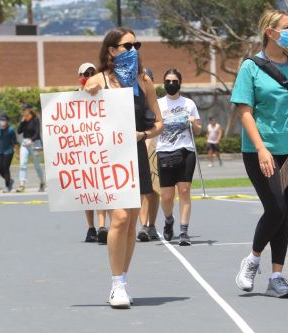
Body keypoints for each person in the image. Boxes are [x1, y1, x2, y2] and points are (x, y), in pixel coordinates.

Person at [230, 9, 288, 298]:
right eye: (286, 27)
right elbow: (245, 111)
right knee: (276, 207)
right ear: (270, 31)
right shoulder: (250, 67)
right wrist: (261, 148)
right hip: (260, 151)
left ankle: (277, 276)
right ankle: (252, 260)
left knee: (285, 214)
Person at [84, 27, 163, 308]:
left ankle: (124, 280)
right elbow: (80, 119)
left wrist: (143, 135)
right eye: (127, 46)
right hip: (107, 159)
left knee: (130, 221)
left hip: (135, 154)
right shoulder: (98, 81)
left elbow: (158, 124)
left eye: (136, 45)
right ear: (111, 50)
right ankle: (116, 284)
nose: (133, 50)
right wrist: (86, 90)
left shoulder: (144, 83)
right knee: (118, 218)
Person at [156, 68, 202, 246]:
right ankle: (169, 220)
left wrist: (193, 123)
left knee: (184, 191)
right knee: (167, 197)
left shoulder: (189, 103)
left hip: (186, 150)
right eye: (168, 81)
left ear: (180, 83)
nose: (171, 84)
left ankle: (184, 232)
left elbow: (198, 129)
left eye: (174, 81)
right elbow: (154, 127)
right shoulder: (158, 104)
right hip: (165, 151)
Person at [77, 62, 109, 243]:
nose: (89, 76)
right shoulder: (73, 97)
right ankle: (91, 228)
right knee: (87, 192)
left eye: (92, 72)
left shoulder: (104, 95)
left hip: (101, 149)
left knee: (101, 189)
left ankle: (102, 225)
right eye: (85, 73)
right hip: (82, 151)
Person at [137, 67, 160, 242]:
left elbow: (160, 125)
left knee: (154, 190)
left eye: (147, 80)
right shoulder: (133, 102)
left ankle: (152, 224)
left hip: (155, 148)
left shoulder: (155, 104)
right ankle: (143, 225)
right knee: (142, 190)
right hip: (139, 148)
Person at [16, 104, 45, 193]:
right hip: (25, 143)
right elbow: (19, 131)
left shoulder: (35, 119)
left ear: (29, 110)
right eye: (22, 110)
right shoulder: (24, 121)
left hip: (36, 143)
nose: (23, 112)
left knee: (37, 165)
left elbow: (37, 133)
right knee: (22, 164)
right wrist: (22, 122)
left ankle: (42, 182)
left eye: (24, 110)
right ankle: (22, 184)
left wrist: (31, 141)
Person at [0, 113, 19, 193]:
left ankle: (7, 186)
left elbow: (15, 143)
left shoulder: (11, 130)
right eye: (1, 120)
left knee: (5, 168)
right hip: (0, 151)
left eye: (4, 120)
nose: (2, 122)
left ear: (7, 121)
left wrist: (17, 153)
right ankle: (10, 180)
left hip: (9, 152)